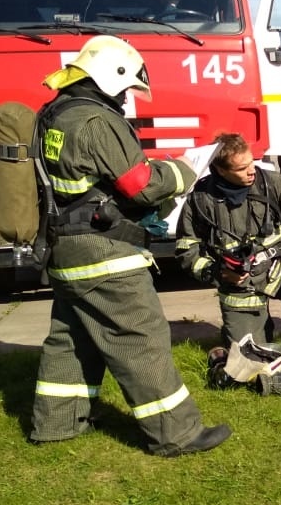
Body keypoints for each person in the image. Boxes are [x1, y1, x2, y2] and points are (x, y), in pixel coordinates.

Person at [29, 35, 231, 457]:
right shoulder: (97, 121)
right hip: (104, 254)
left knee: (72, 339)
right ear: (111, 76)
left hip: (65, 251)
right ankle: (176, 433)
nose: (126, 97)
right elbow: (139, 187)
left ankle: (57, 423)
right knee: (141, 336)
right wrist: (181, 171)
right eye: (125, 87)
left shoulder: (54, 113)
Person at [175, 133, 281, 394]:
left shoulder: (274, 184)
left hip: (279, 270)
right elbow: (186, 251)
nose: (251, 171)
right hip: (237, 286)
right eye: (241, 168)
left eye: (252, 162)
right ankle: (242, 342)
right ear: (220, 169)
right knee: (247, 365)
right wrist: (218, 273)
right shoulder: (200, 201)